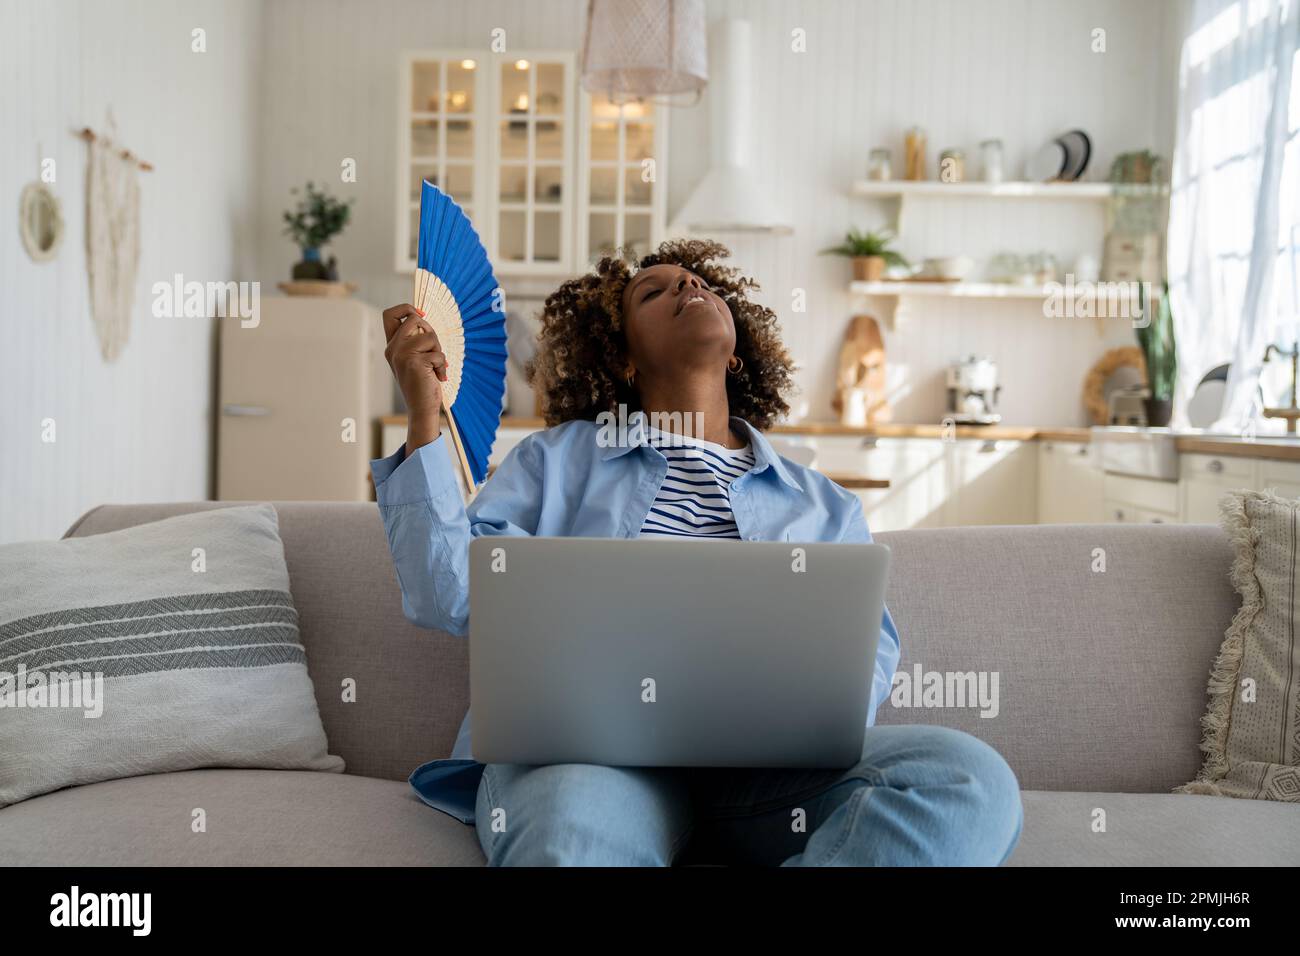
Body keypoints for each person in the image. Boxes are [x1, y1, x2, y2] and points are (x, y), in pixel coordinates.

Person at [370, 238, 1023, 866]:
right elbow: (448, 592)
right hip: (591, 765)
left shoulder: (823, 504)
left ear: (737, 354)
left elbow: (862, 669)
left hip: (771, 782)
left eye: (701, 283)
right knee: (569, 829)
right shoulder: (555, 463)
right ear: (623, 358)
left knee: (969, 781)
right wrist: (424, 415)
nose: (687, 284)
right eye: (653, 292)